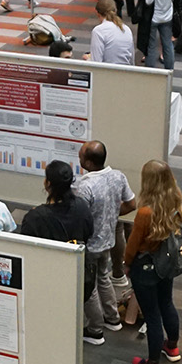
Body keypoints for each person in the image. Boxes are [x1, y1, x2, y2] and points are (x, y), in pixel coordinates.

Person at [124, 160, 182, 364]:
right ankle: (172, 346)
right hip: (166, 261)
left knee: (152, 316)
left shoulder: (145, 213)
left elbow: (132, 245)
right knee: (167, 303)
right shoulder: (176, 202)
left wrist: (127, 264)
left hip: (145, 266)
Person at [74, 140, 137, 345]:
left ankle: (95, 330)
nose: (79, 158)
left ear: (89, 163)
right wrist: (111, 215)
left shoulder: (84, 186)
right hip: (109, 239)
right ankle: (112, 319)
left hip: (90, 244)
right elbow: (131, 203)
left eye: (81, 156)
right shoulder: (118, 176)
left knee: (89, 287)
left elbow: (80, 217)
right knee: (104, 277)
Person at [16, 160, 97, 303]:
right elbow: (89, 232)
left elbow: (26, 253)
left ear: (47, 184)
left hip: (48, 280)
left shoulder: (35, 217)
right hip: (78, 274)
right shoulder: (82, 206)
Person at [86, 0, 134, 65]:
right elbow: (131, 59)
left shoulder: (98, 31)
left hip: (107, 72)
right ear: (115, 10)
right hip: (125, 71)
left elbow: (96, 62)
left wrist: (87, 59)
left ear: (97, 13)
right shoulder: (126, 29)